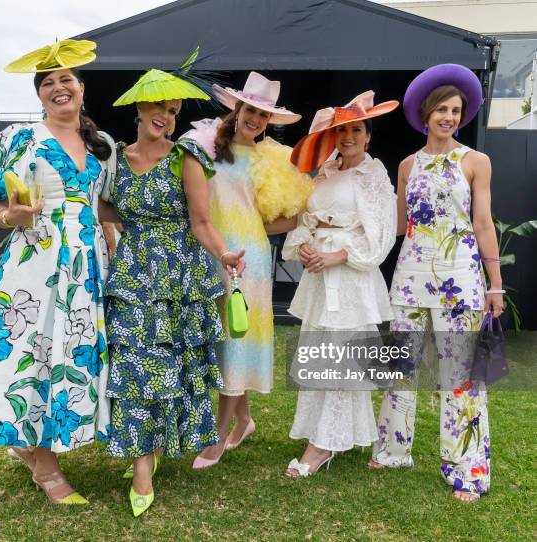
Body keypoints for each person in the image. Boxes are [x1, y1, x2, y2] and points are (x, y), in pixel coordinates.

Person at [0, 39, 115, 504]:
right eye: (48, 82)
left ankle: (32, 440)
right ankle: (43, 466)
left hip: (86, 266)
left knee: (68, 353)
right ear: (40, 95)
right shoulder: (19, 138)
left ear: (82, 89)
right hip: (36, 261)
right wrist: (13, 217)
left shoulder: (100, 146)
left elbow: (100, 207)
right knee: (31, 350)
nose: (58, 87)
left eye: (66, 79)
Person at [101, 49, 245, 516]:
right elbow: (105, 212)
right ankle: (143, 464)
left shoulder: (186, 158)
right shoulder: (114, 162)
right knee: (134, 367)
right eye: (159, 108)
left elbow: (202, 223)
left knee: (168, 370)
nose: (166, 116)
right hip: (132, 276)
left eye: (174, 110)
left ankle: (151, 449)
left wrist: (224, 254)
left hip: (181, 278)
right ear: (140, 109)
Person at [368, 64, 503, 502]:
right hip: (409, 277)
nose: (448, 117)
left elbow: (482, 224)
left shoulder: (475, 161)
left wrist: (494, 284)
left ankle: (466, 468)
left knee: (458, 378)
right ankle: (392, 450)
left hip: (461, 279)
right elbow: (402, 226)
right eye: (441, 109)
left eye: (456, 110)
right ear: (425, 114)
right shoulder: (407, 164)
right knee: (400, 369)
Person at [185, 72, 313, 468]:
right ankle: (244, 420)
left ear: (270, 122)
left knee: (236, 341)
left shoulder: (271, 160)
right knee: (222, 342)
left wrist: (264, 223)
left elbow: (284, 219)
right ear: (237, 109)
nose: (256, 120)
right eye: (251, 110)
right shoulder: (205, 147)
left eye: (264, 115)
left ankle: (218, 438)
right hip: (208, 252)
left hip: (248, 262)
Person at [282, 91, 398, 477]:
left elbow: (381, 236)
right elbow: (305, 220)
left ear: (368, 136)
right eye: (342, 129)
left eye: (356, 129)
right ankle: (329, 434)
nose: (348, 136)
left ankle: (321, 447)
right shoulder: (325, 173)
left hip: (350, 278)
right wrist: (306, 249)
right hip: (319, 275)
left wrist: (339, 255)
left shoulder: (373, 176)